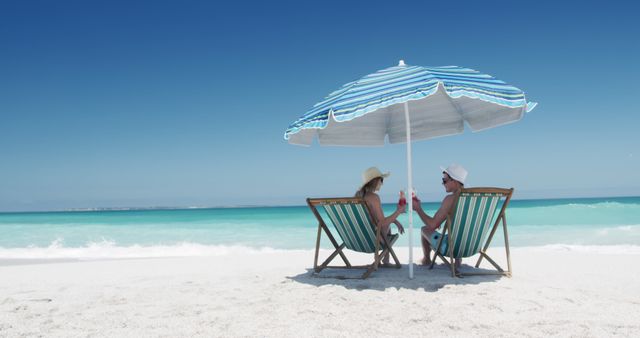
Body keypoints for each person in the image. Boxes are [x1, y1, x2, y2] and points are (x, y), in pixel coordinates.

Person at [412, 164, 468, 269]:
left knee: (425, 229)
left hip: (453, 247)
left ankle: (426, 259)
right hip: (472, 246)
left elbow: (432, 225)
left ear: (454, 181)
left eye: (445, 180)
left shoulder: (450, 199)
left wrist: (418, 209)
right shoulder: (473, 199)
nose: (442, 183)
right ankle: (458, 260)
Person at [355, 167, 405, 264]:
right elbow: (382, 222)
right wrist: (398, 211)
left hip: (358, 239)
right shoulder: (374, 197)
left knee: (386, 225)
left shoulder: (358, 197)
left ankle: (384, 259)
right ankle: (385, 259)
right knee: (386, 226)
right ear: (376, 181)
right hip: (373, 240)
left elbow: (373, 218)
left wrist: (395, 220)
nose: (382, 183)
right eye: (381, 180)